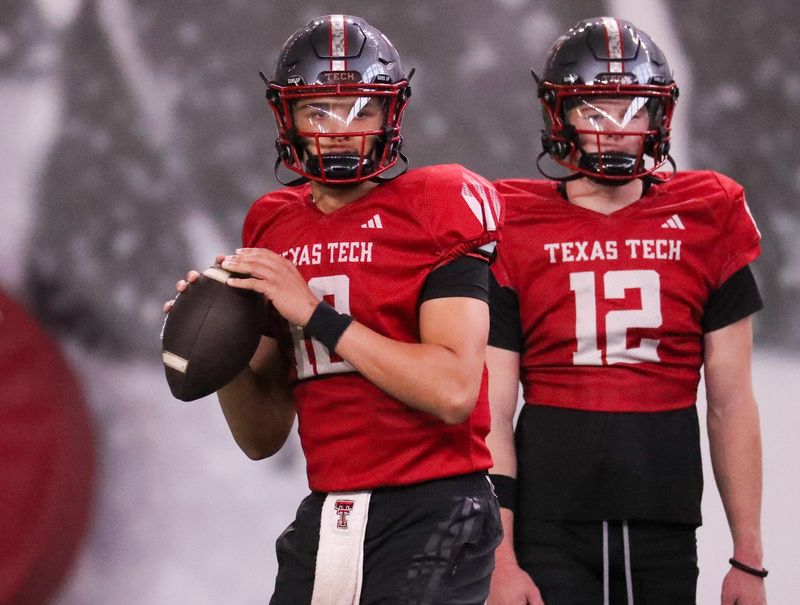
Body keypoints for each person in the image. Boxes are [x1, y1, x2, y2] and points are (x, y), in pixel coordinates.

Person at [166, 15, 503, 605]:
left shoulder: (437, 203)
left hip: (435, 505)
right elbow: (262, 436)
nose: (339, 131)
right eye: (319, 110)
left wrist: (314, 313)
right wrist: (216, 346)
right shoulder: (272, 222)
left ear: (389, 115)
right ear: (287, 117)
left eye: (360, 110)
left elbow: (453, 391)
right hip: (329, 509)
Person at [485, 16, 767, 605]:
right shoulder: (511, 220)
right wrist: (501, 556)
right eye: (594, 110)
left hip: (663, 514)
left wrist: (749, 556)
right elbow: (492, 409)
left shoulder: (709, 213)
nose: (614, 129)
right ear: (560, 116)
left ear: (658, 117)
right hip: (547, 519)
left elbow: (731, 400)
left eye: (631, 109)